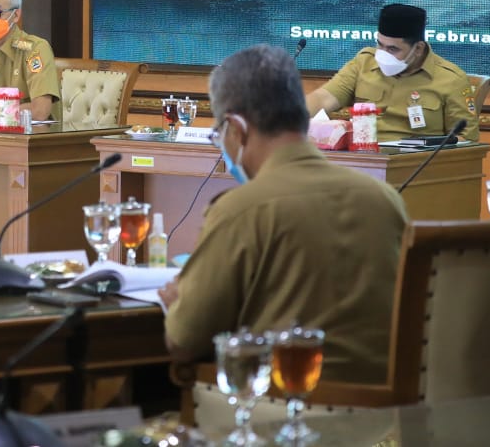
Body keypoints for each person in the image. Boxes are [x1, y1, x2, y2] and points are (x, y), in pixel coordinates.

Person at [160, 44, 408, 384]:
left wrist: (178, 303)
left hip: (280, 414)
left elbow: (185, 341)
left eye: (220, 134)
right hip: (384, 421)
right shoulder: (384, 198)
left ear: (236, 127)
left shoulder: (241, 209)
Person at [305, 3, 480, 142]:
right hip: (362, 160)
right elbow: (325, 97)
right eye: (380, 44)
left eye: (393, 49)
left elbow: (466, 140)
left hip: (416, 169)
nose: (383, 54)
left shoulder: (451, 79)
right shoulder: (364, 62)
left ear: (418, 49)